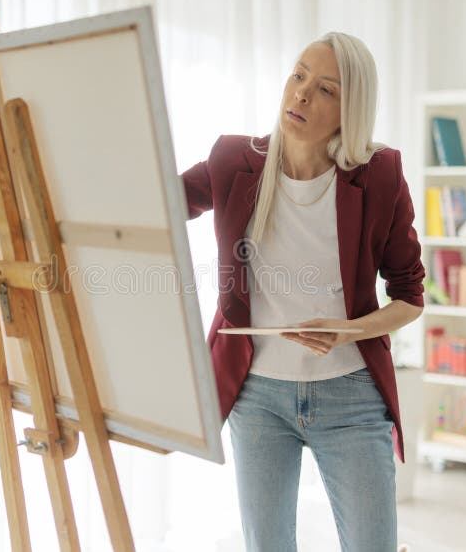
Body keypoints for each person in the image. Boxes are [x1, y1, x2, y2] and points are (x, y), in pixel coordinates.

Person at [181, 32, 425, 552]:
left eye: (326, 89)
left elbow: (409, 296)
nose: (301, 94)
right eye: (298, 76)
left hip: (351, 397)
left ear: (350, 109)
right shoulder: (233, 160)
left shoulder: (380, 175)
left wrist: (350, 330)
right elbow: (157, 202)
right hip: (258, 398)